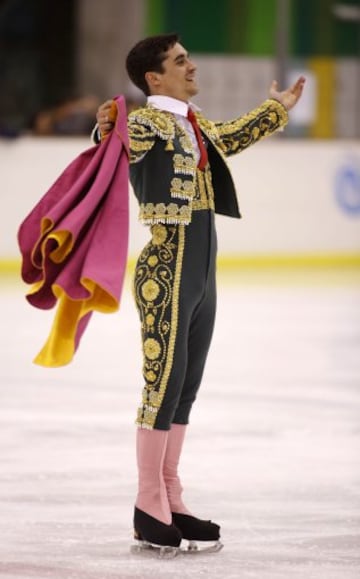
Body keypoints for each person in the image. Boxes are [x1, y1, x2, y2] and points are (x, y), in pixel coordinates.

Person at [94, 33, 305, 554]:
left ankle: (171, 495)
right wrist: (105, 128)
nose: (192, 66)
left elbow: (229, 138)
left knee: (185, 385)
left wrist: (274, 111)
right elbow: (115, 144)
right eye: (180, 60)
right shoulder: (145, 122)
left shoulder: (195, 123)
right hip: (166, 269)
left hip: (202, 274)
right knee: (162, 384)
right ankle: (148, 503)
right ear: (154, 78)